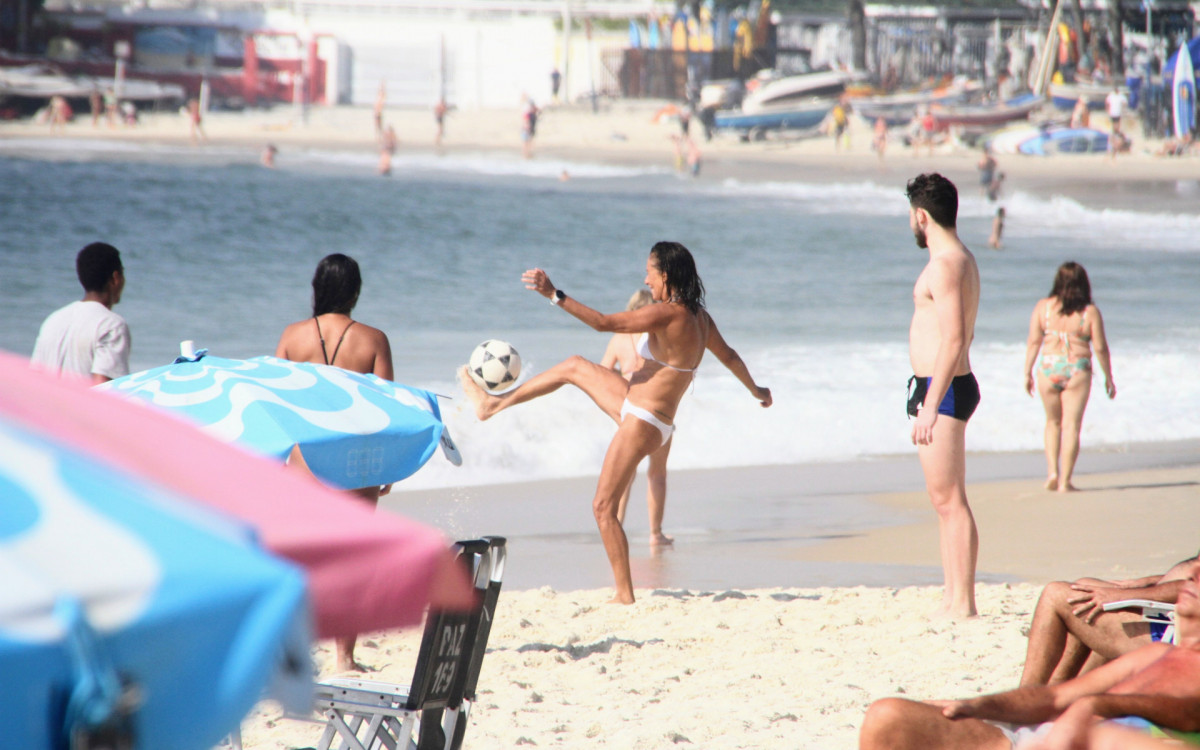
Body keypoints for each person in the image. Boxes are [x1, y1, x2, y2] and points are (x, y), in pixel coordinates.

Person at [459, 242, 772, 604]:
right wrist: (756, 390)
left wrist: (553, 294)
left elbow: (603, 323)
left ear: (665, 276)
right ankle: (491, 404)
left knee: (603, 507)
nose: (645, 278)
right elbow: (730, 356)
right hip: (644, 412)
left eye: (649, 272)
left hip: (642, 421)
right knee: (575, 366)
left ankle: (624, 594)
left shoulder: (665, 314)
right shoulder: (700, 318)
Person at [859, 560, 1200, 750]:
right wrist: (980, 706)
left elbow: (1188, 714)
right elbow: (1054, 697)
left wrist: (1099, 705)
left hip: (1090, 741)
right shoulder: (1153, 655)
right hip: (1039, 737)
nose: (1194, 574)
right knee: (887, 715)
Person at [274, 253, 395, 672]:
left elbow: (275, 405)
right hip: (358, 465)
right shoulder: (374, 340)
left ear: (316, 288)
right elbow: (387, 411)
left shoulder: (293, 337)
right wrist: (389, 468)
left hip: (304, 464)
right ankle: (345, 657)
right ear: (356, 291)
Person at [905, 173, 981, 619]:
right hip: (941, 387)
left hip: (945, 389)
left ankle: (964, 603)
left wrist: (930, 405)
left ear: (921, 215)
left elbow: (953, 339)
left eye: (910, 218)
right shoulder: (959, 257)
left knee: (951, 500)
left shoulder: (946, 264)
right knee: (943, 501)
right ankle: (951, 595)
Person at [1020, 553, 1197, 687]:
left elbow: (1194, 585)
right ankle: (1058, 693)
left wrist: (1122, 595)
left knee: (1056, 595)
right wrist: (1148, 582)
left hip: (1174, 638)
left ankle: (1024, 701)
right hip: (1172, 619)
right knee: (1084, 586)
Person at [1023, 262, 1115, 493]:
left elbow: (1034, 341)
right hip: (1077, 368)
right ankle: (1065, 481)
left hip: (1048, 368)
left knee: (1052, 423)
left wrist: (1027, 371)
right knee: (1071, 426)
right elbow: (1101, 348)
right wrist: (1108, 377)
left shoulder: (1043, 308)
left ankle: (1052, 472)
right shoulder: (1089, 312)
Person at [599, 289, 673, 547]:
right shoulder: (657, 337)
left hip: (628, 406)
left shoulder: (619, 339)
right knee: (658, 473)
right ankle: (655, 534)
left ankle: (616, 525)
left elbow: (603, 372)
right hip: (656, 407)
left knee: (626, 474)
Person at [32, 242, 131, 384]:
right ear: (116, 278)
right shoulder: (111, 324)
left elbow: (34, 376)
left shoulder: (53, 320)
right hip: (80, 406)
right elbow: (103, 385)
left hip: (45, 405)